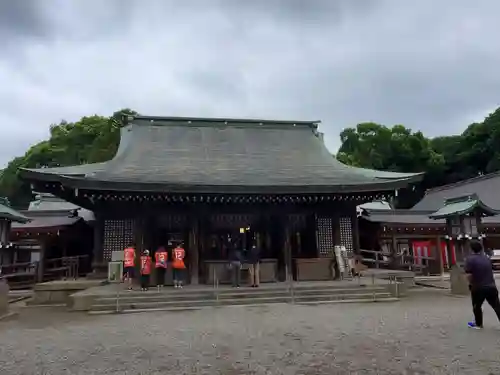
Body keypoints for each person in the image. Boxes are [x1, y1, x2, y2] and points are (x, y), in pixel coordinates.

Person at [465, 240, 500, 329]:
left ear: (471, 249)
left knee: (477, 306)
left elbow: (469, 275)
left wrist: (470, 284)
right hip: (491, 286)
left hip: (478, 286)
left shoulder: (470, 259)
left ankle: (478, 324)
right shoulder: (487, 258)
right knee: (497, 306)